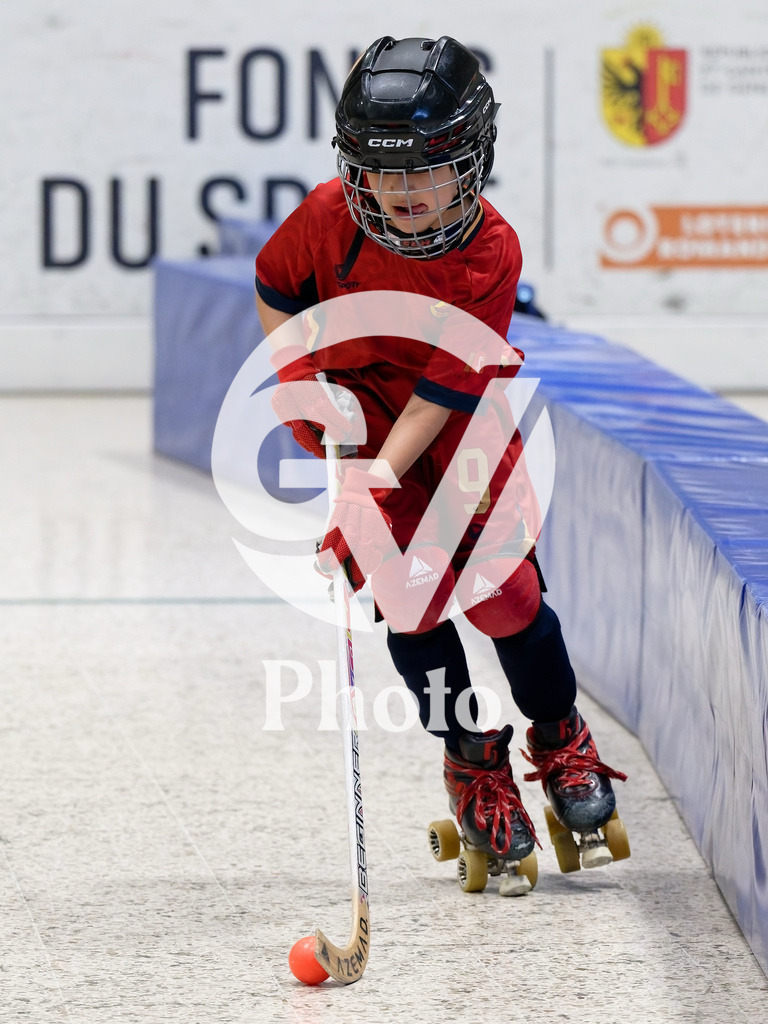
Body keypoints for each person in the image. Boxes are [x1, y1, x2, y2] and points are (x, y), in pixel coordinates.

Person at [255, 35, 626, 875]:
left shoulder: (491, 251)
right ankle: (472, 761)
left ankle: (559, 734)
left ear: (471, 162)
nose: (404, 192)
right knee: (414, 604)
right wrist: (304, 387)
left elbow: (442, 394)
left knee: (503, 598)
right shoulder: (325, 219)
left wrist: (368, 483)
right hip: (361, 414)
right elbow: (276, 289)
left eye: (428, 169)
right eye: (383, 173)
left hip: (454, 426)